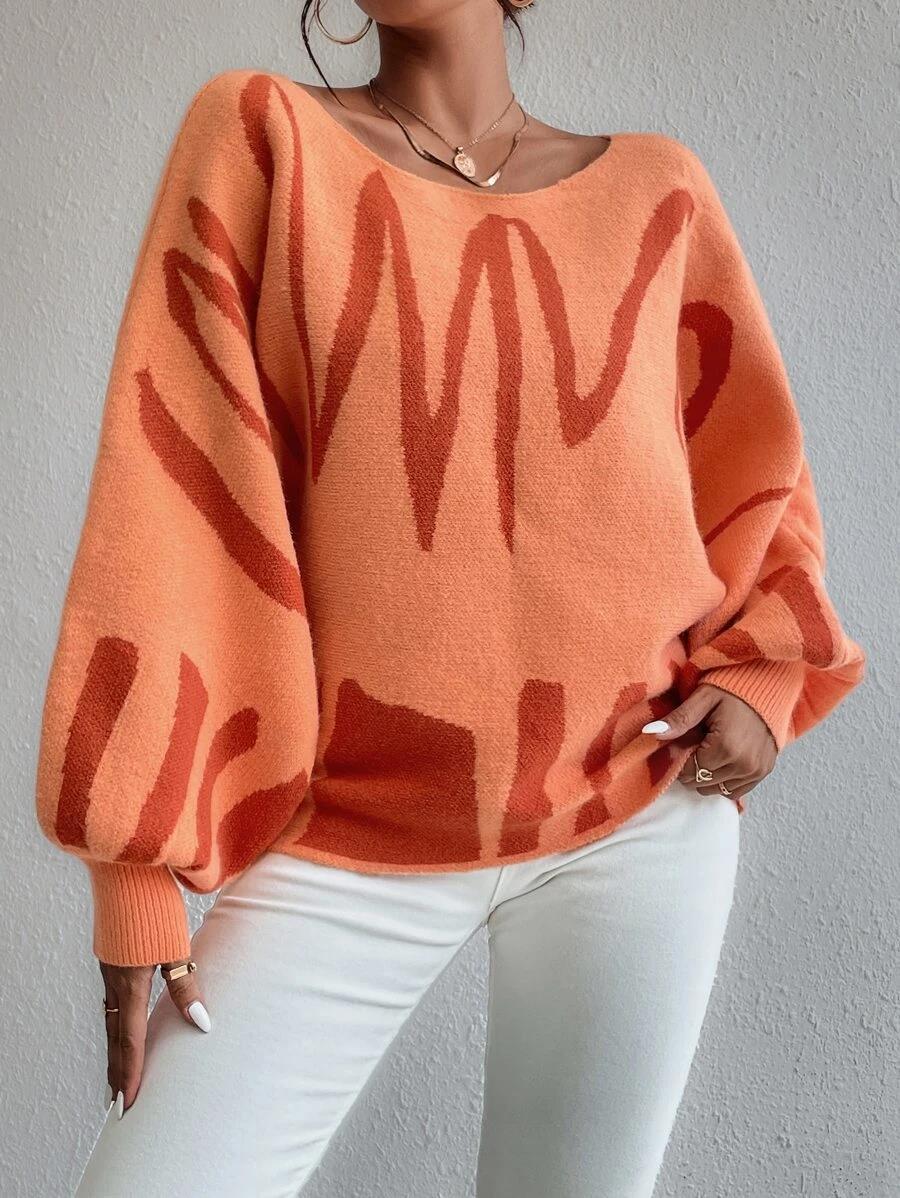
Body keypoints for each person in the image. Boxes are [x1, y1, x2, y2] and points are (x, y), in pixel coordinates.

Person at [35, 2, 866, 1195]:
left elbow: (755, 467)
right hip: (346, 829)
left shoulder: (660, 192)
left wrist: (764, 676)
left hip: (644, 809)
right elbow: (170, 495)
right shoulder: (262, 137)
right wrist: (133, 866)